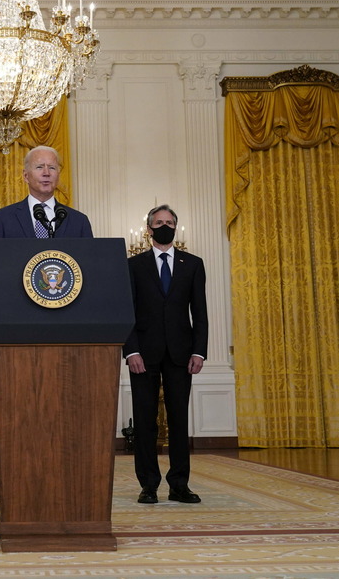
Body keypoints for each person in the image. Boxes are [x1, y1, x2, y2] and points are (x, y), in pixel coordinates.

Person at [123, 205, 208, 504]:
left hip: (181, 354)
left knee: (179, 420)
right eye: (158, 222)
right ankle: (148, 485)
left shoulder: (193, 264)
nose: (164, 226)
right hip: (142, 355)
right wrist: (130, 350)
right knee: (145, 421)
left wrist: (200, 351)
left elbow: (200, 312)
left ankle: (179, 485)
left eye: (169, 222)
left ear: (176, 227)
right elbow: (127, 312)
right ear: (148, 229)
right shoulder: (133, 265)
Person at [0, 145, 93, 238]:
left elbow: (89, 259)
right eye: (39, 167)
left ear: (58, 175)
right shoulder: (3, 218)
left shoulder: (79, 221)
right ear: (26, 176)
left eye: (52, 168)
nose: (46, 173)